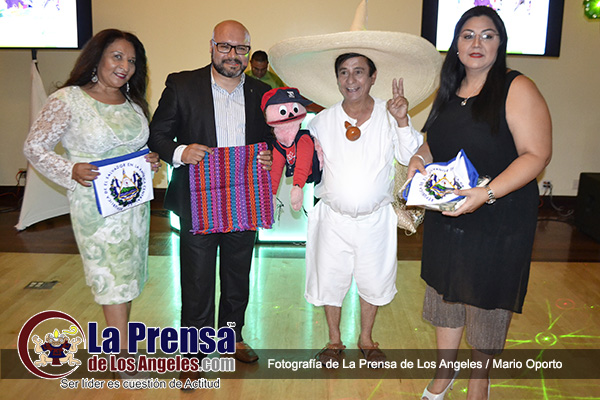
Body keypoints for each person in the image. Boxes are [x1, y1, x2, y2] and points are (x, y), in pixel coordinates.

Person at [408, 6, 552, 400]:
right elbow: (434, 142)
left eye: (488, 35)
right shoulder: (449, 87)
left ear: (500, 44)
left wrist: (486, 194)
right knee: (444, 292)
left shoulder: (516, 87)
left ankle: (479, 380)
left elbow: (537, 154)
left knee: (487, 299)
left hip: (498, 215)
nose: (477, 43)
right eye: (468, 35)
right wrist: (418, 158)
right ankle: (445, 371)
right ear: (456, 45)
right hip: (450, 211)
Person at [23, 29, 160, 377]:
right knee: (110, 279)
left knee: (127, 278)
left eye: (132, 61)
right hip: (96, 208)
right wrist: (70, 169)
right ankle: (121, 359)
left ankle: (121, 347)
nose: (125, 66)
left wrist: (150, 159)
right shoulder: (69, 99)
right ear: (97, 58)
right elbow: (34, 147)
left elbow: (134, 147)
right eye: (117, 56)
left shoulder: (132, 102)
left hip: (133, 205)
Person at [147, 20, 273, 383]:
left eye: (240, 48)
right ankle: (193, 350)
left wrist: (269, 155)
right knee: (197, 278)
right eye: (225, 46)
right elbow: (157, 135)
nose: (233, 55)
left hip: (244, 198)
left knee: (238, 274)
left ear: (248, 51)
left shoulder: (263, 92)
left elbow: (273, 138)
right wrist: (181, 152)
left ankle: (231, 336)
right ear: (212, 47)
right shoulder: (182, 85)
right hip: (197, 199)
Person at [304, 53, 424, 366]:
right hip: (332, 219)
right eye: (344, 73)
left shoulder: (390, 113)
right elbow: (306, 162)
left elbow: (411, 156)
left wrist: (402, 120)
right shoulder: (321, 122)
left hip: (375, 219)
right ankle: (334, 341)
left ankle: (366, 339)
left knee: (374, 280)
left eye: (359, 72)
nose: (351, 80)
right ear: (337, 79)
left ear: (372, 77)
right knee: (329, 281)